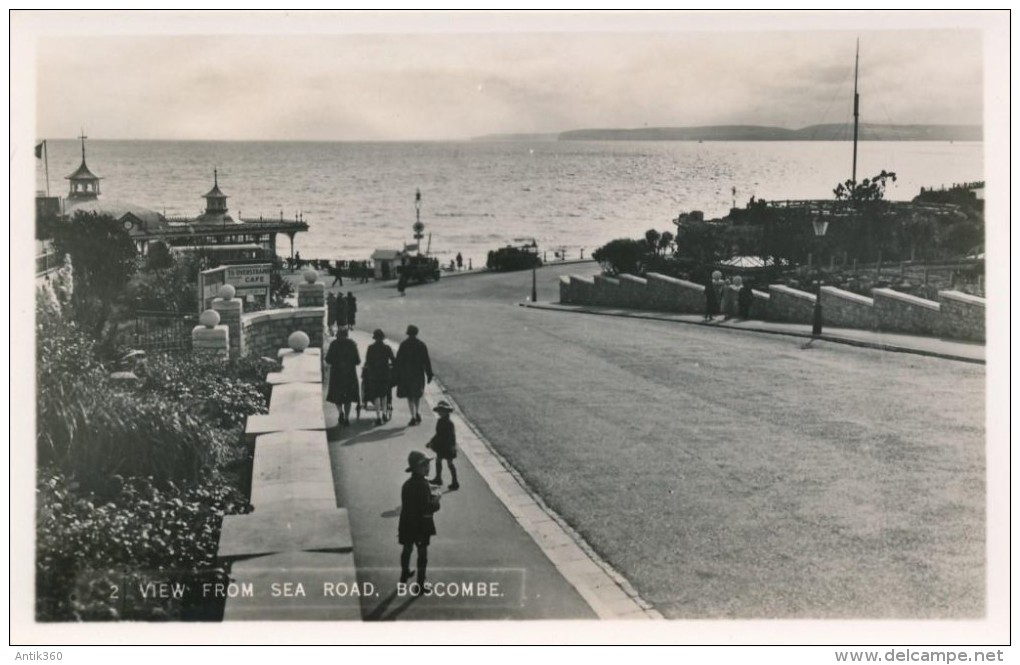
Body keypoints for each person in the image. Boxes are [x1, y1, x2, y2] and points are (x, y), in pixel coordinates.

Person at [399, 450, 438, 592]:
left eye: (427, 464)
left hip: (406, 523)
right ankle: (420, 584)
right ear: (416, 468)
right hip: (421, 525)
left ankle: (404, 574)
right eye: (424, 465)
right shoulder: (423, 485)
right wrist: (436, 501)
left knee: (407, 549)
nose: (428, 467)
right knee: (422, 554)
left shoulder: (407, 484)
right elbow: (427, 508)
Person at [395, 324, 433, 426]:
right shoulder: (421, 345)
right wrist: (429, 374)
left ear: (408, 333)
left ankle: (413, 416)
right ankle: (417, 413)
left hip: (406, 374)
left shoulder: (404, 345)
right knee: (417, 394)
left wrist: (397, 374)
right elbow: (426, 361)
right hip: (418, 373)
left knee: (409, 396)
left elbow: (398, 361)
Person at [325, 328, 361, 425]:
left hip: (336, 374)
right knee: (348, 398)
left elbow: (328, 359)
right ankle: (346, 418)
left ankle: (340, 412)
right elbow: (358, 361)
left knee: (337, 395)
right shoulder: (352, 344)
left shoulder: (333, 344)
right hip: (350, 374)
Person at [363, 328, 395, 425]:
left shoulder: (371, 348)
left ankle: (378, 416)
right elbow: (393, 360)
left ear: (375, 338)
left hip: (374, 375)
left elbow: (368, 361)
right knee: (384, 395)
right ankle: (384, 413)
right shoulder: (387, 348)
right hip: (385, 374)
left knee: (376, 395)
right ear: (382, 338)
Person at [427, 400, 459, 491]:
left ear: (447, 412)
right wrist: (431, 441)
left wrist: (453, 446)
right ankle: (438, 478)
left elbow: (452, 436)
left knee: (450, 463)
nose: (440, 413)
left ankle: (455, 482)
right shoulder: (440, 421)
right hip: (441, 445)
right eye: (439, 411)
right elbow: (438, 433)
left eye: (442, 411)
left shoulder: (449, 423)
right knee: (438, 460)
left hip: (448, 446)